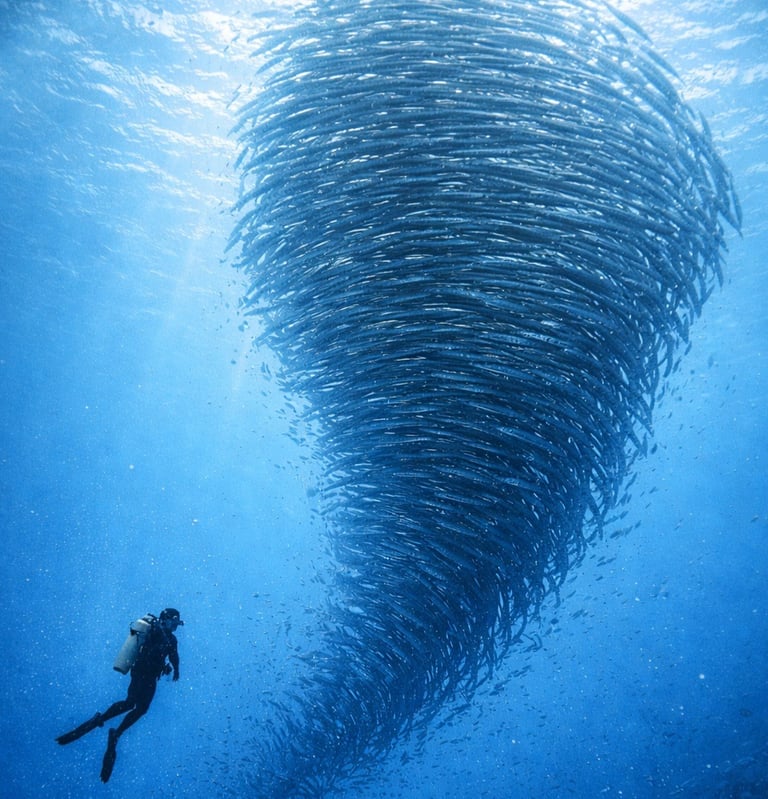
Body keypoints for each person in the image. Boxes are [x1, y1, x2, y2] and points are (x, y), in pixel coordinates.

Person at [55, 607, 184, 783]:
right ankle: (101, 720)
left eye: (177, 623)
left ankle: (116, 733)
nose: (176, 626)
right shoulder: (155, 629)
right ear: (166, 619)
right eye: (174, 621)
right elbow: (153, 645)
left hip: (152, 676)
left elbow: (173, 655)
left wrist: (175, 668)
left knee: (142, 709)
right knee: (131, 703)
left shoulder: (171, 639)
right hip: (141, 672)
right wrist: (162, 638)